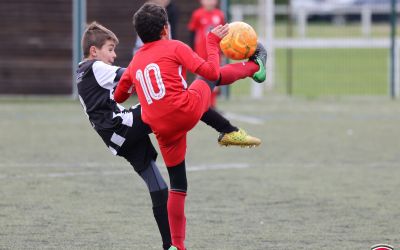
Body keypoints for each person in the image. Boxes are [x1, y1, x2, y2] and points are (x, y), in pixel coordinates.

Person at [76, 22, 262, 250]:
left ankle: (169, 246)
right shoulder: (95, 67)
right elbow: (135, 74)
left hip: (117, 138)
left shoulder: (83, 71)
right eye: (110, 49)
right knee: (178, 103)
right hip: (124, 126)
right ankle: (231, 123)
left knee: (160, 188)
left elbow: (123, 87)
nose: (114, 55)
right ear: (94, 51)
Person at [188, 0, 225, 108]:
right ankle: (204, 105)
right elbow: (192, 32)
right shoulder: (197, 14)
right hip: (201, 52)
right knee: (201, 78)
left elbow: (224, 35)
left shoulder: (220, 15)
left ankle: (212, 105)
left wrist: (222, 51)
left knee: (215, 77)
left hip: (215, 53)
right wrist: (192, 50)